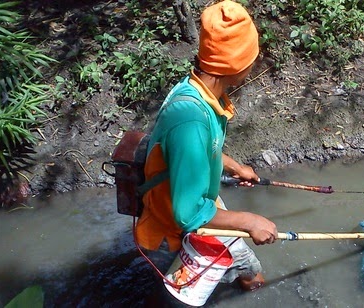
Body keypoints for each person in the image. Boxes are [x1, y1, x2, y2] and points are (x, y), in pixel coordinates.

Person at [135, 0, 278, 302]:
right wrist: (250, 221)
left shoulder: (195, 90)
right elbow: (189, 213)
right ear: (236, 65)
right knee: (244, 270)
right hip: (179, 217)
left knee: (246, 267)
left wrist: (234, 166)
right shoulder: (191, 121)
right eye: (251, 60)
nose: (253, 67)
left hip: (192, 196)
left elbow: (198, 153)